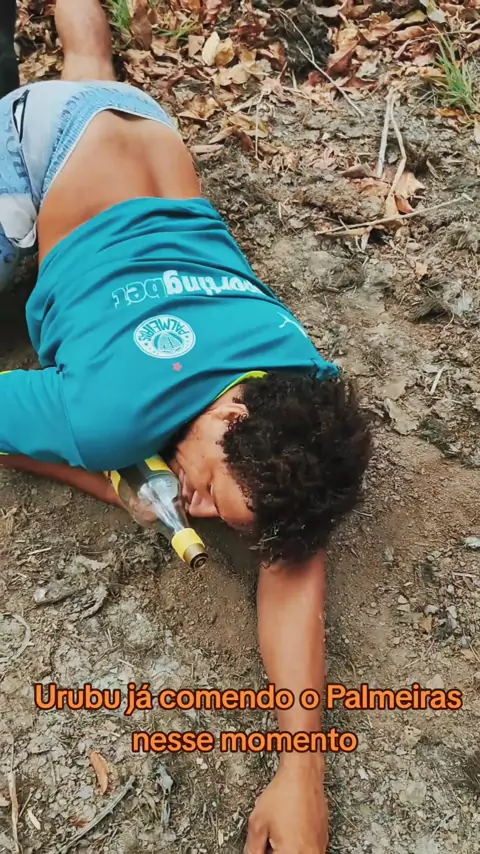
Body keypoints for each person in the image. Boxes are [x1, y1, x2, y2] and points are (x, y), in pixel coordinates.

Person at [0, 1, 371, 851]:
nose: (195, 507)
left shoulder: (306, 385)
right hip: (35, 146)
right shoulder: (112, 417)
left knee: (87, 67)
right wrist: (116, 479)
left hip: (145, 130)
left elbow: (294, 564)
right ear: (232, 413)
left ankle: (84, 38)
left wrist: (301, 771)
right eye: (206, 488)